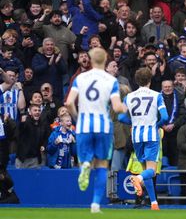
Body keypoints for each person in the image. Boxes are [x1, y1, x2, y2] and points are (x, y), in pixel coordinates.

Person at [65, 47, 127, 213]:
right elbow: (116, 106)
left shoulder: (81, 78)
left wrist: (78, 118)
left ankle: (85, 163)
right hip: (103, 126)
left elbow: (69, 103)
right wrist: (125, 107)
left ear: (90, 59)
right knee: (102, 165)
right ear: (106, 59)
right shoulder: (111, 80)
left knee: (86, 159)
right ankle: (95, 204)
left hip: (84, 124)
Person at [118, 68, 169, 210]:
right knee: (151, 171)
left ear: (136, 80)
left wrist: (134, 123)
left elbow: (121, 117)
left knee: (145, 168)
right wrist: (156, 125)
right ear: (150, 80)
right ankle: (138, 178)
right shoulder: (157, 95)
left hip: (136, 136)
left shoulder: (128, 97)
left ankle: (153, 203)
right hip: (151, 135)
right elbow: (165, 117)